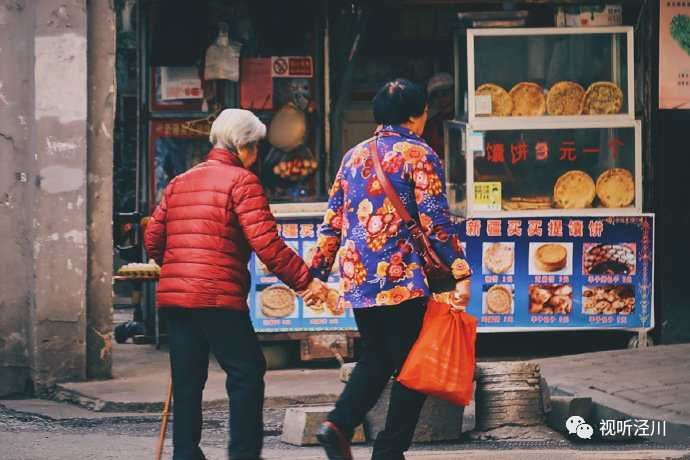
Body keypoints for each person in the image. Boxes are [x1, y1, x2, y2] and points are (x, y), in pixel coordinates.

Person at [144, 108, 325, 460]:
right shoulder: (242, 181)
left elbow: (153, 240)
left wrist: (181, 267)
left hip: (177, 299)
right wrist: (306, 282)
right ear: (244, 147)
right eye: (255, 147)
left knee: (187, 378)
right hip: (217, 296)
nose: (256, 156)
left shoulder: (179, 182)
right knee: (246, 371)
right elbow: (268, 245)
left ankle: (186, 454)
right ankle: (243, 454)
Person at [309, 79, 472, 460]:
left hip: (360, 281)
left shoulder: (353, 156)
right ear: (418, 115)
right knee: (416, 367)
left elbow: (332, 223)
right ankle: (388, 451)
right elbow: (435, 222)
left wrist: (316, 272)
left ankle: (337, 424)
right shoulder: (420, 154)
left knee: (378, 357)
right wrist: (460, 271)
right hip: (401, 279)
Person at [422, 72, 454, 157]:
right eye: (436, 96)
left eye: (445, 94)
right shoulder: (429, 126)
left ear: (454, 94)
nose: (442, 100)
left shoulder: (462, 120)